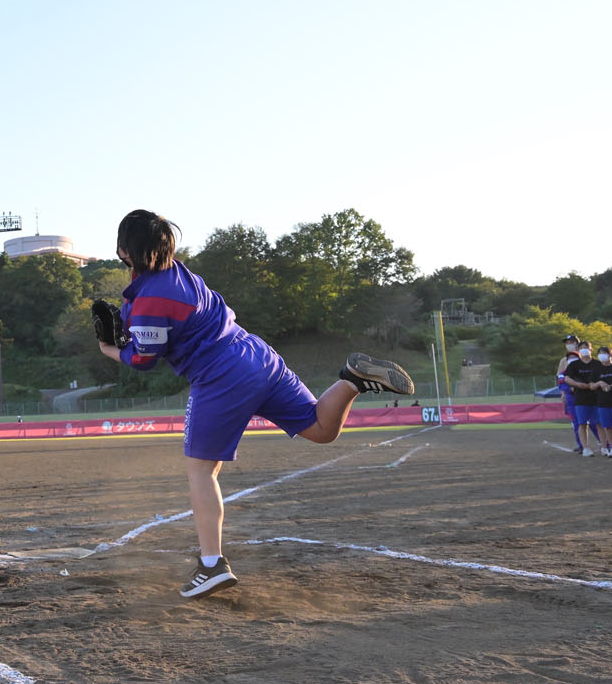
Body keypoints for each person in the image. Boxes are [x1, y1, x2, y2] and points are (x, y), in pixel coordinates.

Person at [95, 210, 414, 600]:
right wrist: (130, 326)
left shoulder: (148, 299)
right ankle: (351, 380)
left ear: (124, 249)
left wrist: (110, 348)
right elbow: (161, 325)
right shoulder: (180, 275)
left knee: (200, 470)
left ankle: (211, 565)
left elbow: (143, 360)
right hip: (256, 353)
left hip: (220, 372)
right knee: (320, 428)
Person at [563, 341, 603, 458]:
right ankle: (585, 447)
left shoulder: (597, 364)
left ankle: (605, 446)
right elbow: (567, 378)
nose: (584, 350)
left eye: (586, 347)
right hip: (581, 398)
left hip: (597, 397)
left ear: (591, 349)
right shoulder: (574, 365)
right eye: (582, 348)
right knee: (582, 423)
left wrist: (595, 385)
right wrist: (577, 385)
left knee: (599, 423)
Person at [555, 334, 583, 453]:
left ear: (577, 343)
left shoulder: (584, 357)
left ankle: (602, 443)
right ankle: (580, 443)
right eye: (567, 343)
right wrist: (563, 393)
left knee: (593, 420)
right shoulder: (564, 360)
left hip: (584, 392)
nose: (569, 344)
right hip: (570, 394)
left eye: (571, 342)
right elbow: (560, 377)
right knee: (575, 421)